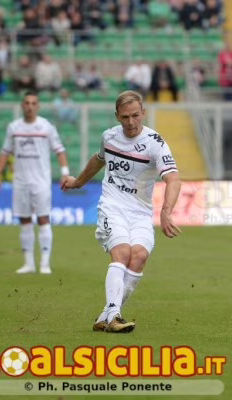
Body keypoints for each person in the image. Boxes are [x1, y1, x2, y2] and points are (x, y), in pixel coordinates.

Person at [60, 91, 181, 333]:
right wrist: (78, 182)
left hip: (141, 212)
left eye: (135, 115)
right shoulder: (110, 137)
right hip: (112, 206)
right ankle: (114, 316)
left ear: (143, 113)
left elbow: (173, 179)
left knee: (139, 256)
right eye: (125, 117)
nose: (131, 122)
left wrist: (166, 211)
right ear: (117, 116)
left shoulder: (155, 143)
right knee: (123, 252)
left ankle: (106, 315)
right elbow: (99, 159)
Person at [0, 91, 69, 275]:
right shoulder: (14, 127)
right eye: (27, 103)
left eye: (33, 103)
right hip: (20, 181)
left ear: (38, 106)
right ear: (22, 105)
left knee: (43, 218)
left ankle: (44, 264)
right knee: (24, 219)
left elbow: (59, 150)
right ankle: (28, 264)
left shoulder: (46, 127)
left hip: (41, 181)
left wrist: (65, 173)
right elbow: (5, 152)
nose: (30, 106)